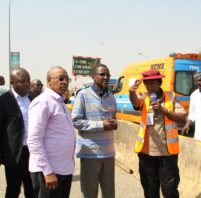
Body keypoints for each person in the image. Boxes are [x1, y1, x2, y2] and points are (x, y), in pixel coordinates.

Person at [129, 69, 186, 198]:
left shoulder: (171, 97)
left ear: (159, 83)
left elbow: (183, 118)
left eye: (153, 83)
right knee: (150, 190)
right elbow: (135, 101)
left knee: (170, 190)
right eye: (147, 84)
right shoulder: (144, 97)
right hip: (146, 153)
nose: (149, 86)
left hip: (167, 154)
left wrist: (163, 110)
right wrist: (131, 92)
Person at [27, 66, 75, 198]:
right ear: (49, 81)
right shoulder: (43, 102)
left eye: (67, 78)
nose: (64, 81)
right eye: (60, 78)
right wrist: (47, 171)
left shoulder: (60, 103)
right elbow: (34, 139)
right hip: (49, 171)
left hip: (63, 169)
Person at [72, 64, 117, 198]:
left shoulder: (111, 96)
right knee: (90, 193)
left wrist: (114, 123)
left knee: (109, 193)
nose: (105, 77)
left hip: (109, 153)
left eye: (107, 75)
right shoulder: (83, 95)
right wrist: (101, 125)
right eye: (102, 74)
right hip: (90, 154)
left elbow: (114, 118)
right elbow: (76, 121)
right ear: (93, 76)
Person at [0, 68, 35, 198]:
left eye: (28, 80)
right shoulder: (3, 101)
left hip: (33, 151)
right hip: (14, 153)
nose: (27, 84)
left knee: (32, 188)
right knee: (13, 189)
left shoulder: (33, 98)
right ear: (12, 82)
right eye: (22, 81)